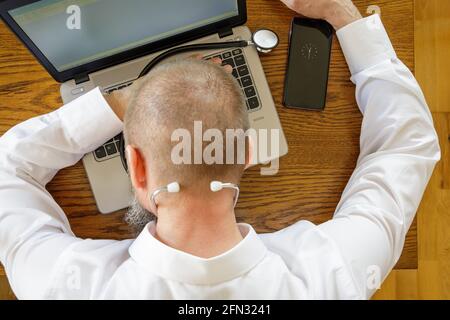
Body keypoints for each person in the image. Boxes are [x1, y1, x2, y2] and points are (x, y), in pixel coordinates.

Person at [0, 0, 440, 299]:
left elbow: (7, 169)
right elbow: (406, 147)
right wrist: (342, 14)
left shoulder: (66, 285)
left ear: (136, 166)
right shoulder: (334, 275)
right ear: (248, 151)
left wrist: (123, 100)